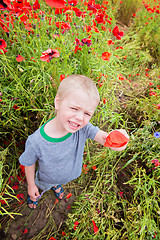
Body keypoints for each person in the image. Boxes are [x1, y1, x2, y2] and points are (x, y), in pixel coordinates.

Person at [19, 75, 129, 209]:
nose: (79, 118)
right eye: (74, 109)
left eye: (87, 114)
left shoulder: (83, 129)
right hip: (46, 178)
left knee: (59, 181)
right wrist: (31, 185)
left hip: (68, 174)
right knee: (40, 188)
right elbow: (28, 163)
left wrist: (118, 140)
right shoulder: (36, 141)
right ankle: (34, 196)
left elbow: (106, 140)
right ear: (58, 102)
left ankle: (56, 184)